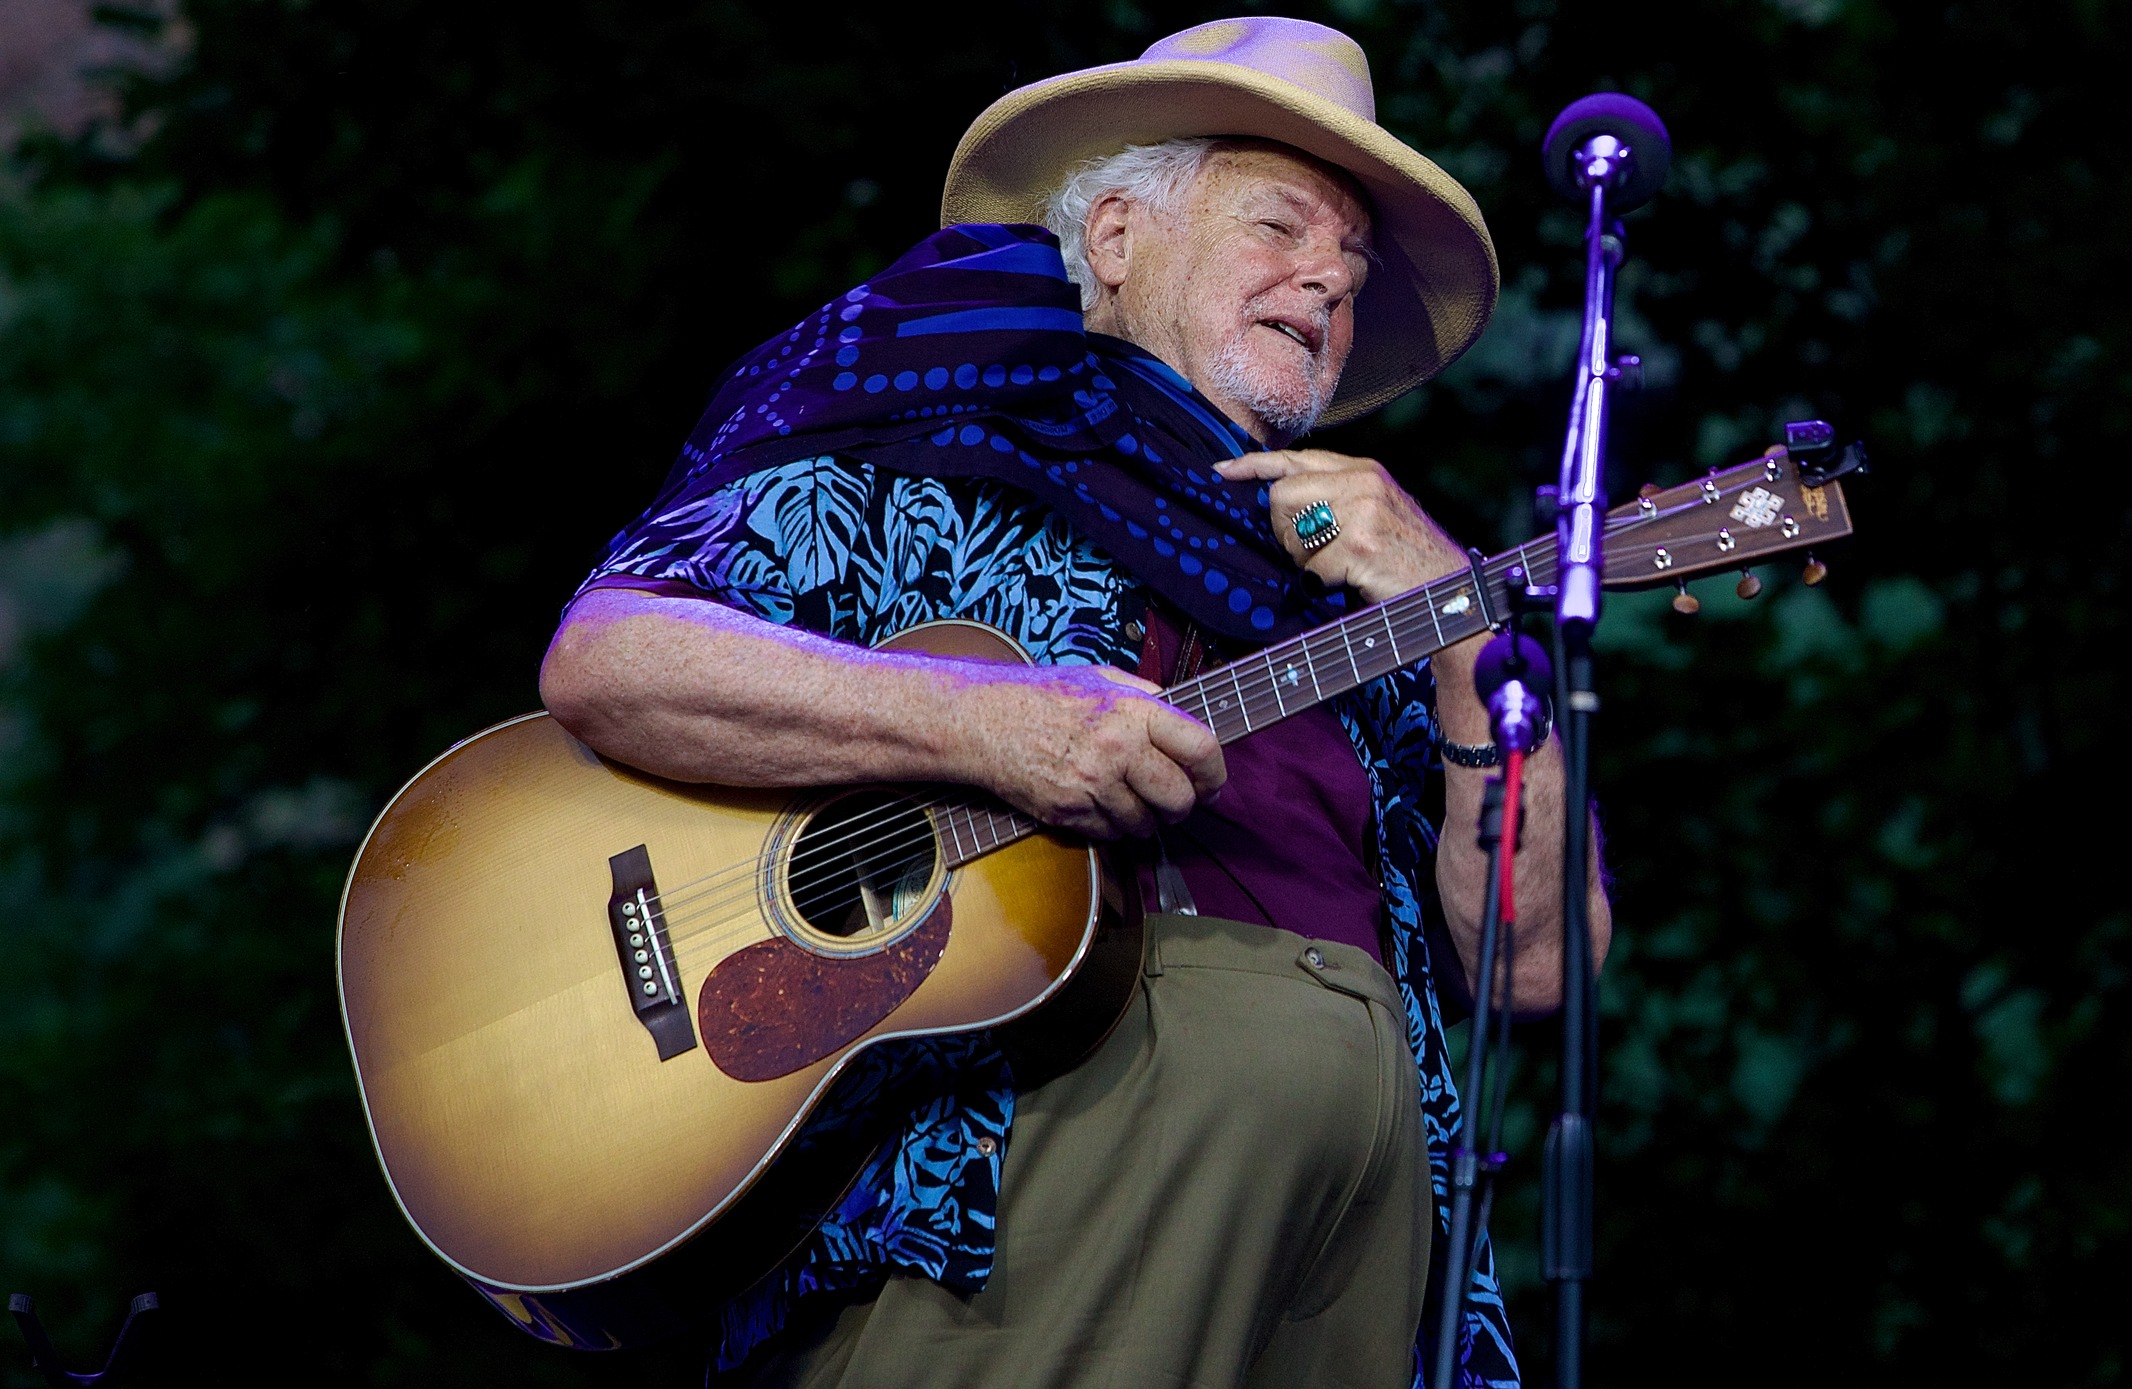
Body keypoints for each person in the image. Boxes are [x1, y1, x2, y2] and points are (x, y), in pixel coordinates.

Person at [535, 17, 1604, 1388]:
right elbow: (611, 656)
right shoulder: (930, 458)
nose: (1326, 284)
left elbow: (1540, 972)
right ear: (1113, 238)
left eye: (1349, 268)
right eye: (1280, 226)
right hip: (1005, 1219)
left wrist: (1459, 623)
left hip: (1364, 1253)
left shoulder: (1376, 579)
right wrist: (992, 723)